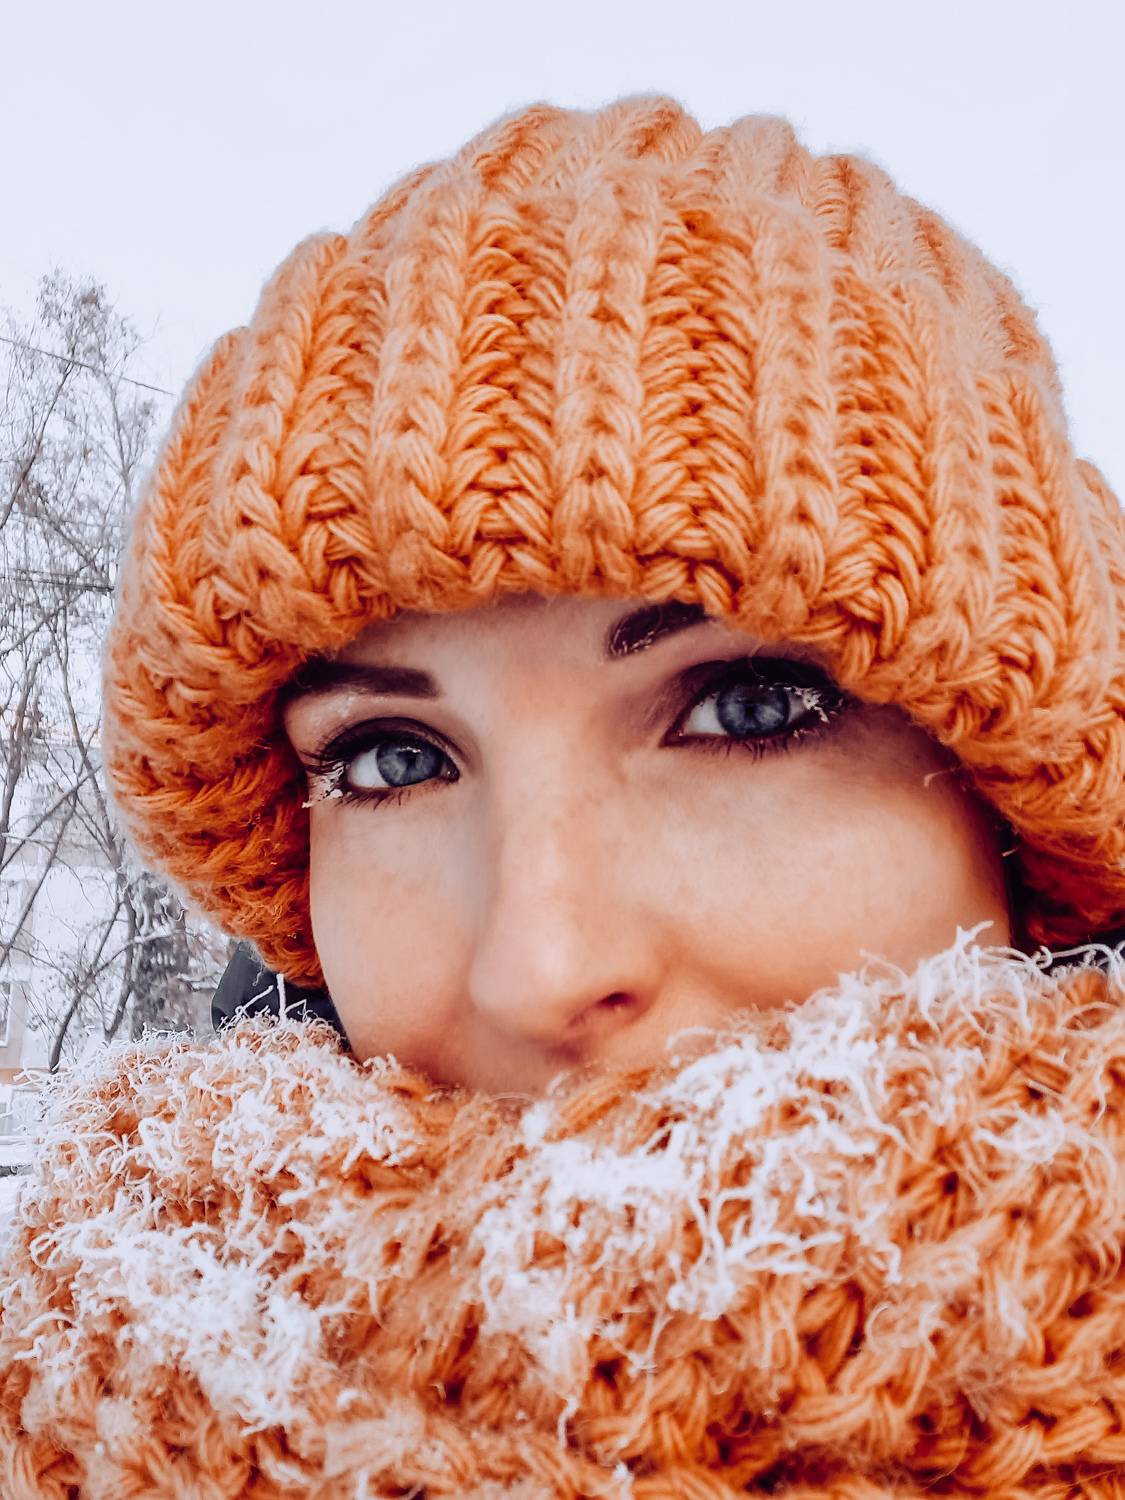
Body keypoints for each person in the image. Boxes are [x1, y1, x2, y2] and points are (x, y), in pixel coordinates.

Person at [0, 97, 1122, 1497]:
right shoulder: (93, 1389)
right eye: (392, 759)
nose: (539, 969)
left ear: (1027, 826)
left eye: (748, 708)